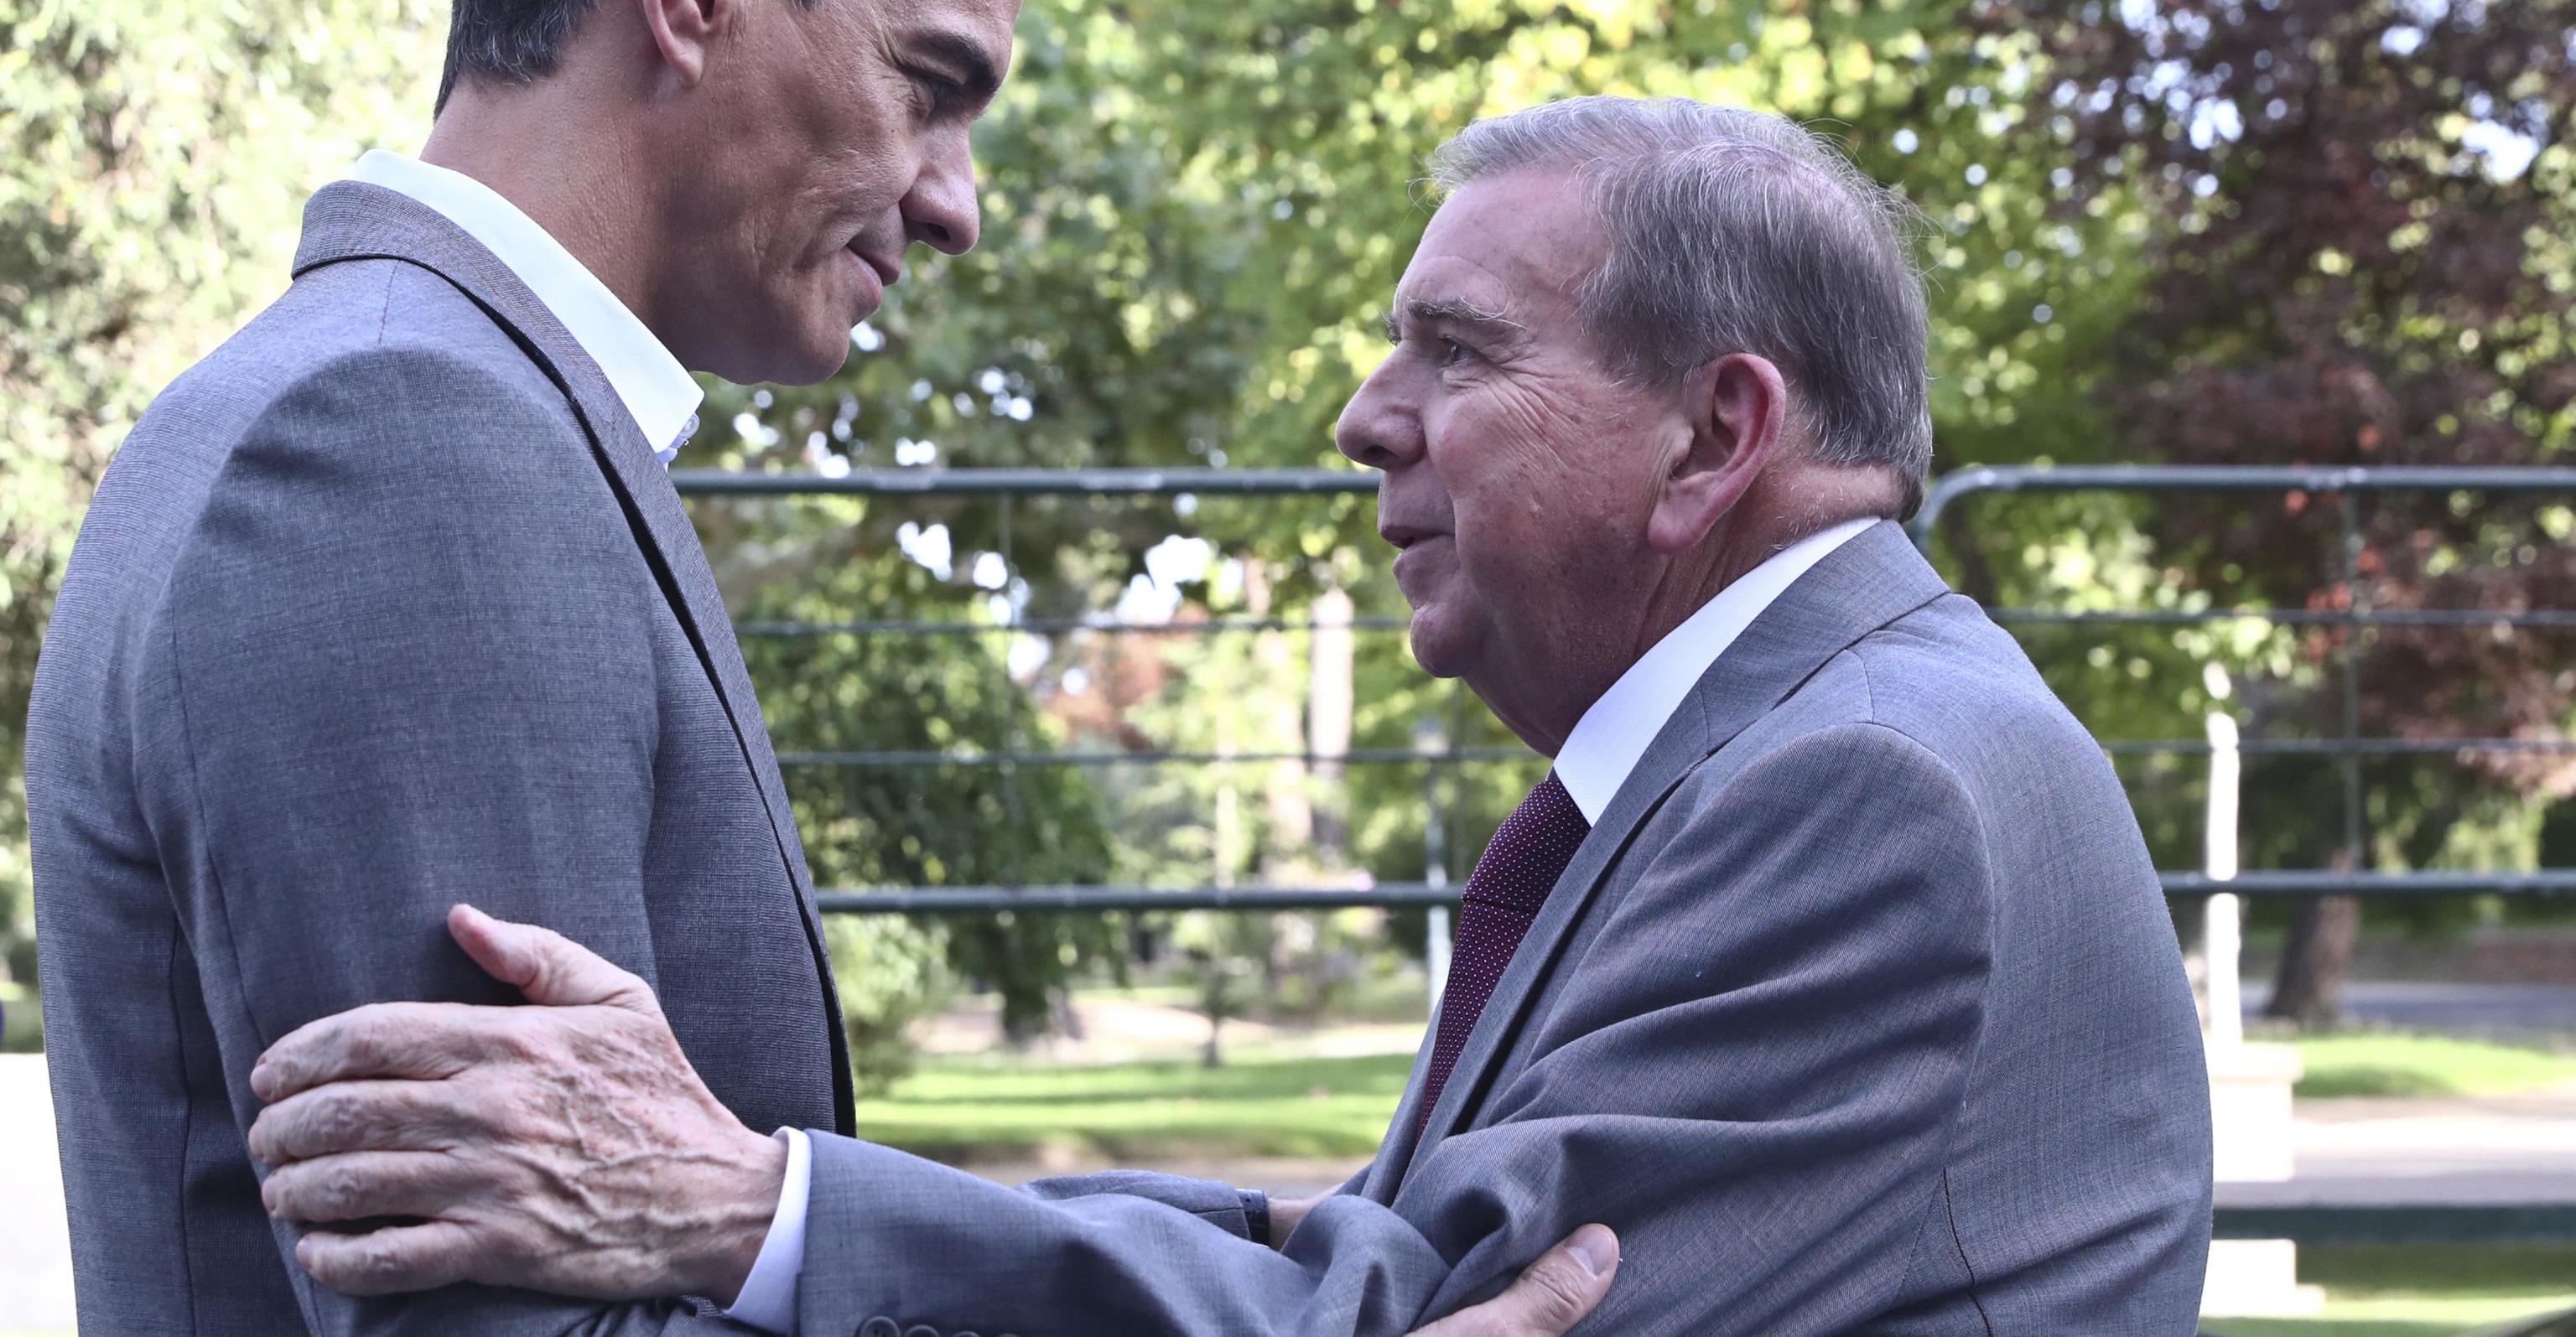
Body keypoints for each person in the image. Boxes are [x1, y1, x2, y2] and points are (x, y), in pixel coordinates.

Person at [23, 0, 1603, 1337]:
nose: (958, 206)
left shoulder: (390, 399)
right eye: (931, 83)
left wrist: (1254, 1243)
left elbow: (695, 1193)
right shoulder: (408, 445)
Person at [247, 98, 2218, 1334]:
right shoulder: (1811, 741)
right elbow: (1382, 1244)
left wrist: (745, 1209)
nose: (1364, 417)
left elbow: (1421, 1305)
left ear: (1715, 433)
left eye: (1454, 351)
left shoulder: (1866, 791)